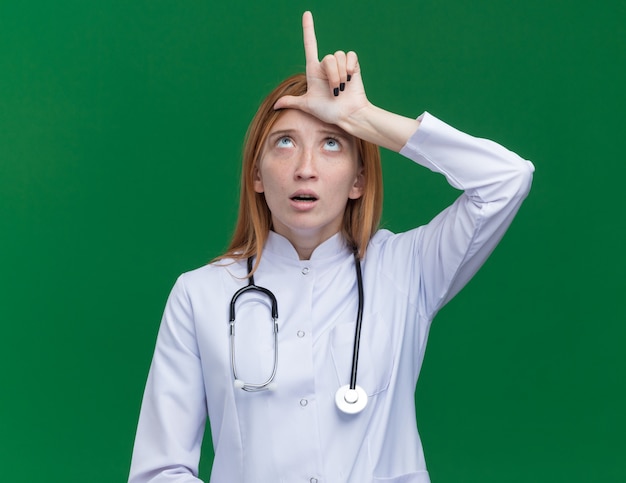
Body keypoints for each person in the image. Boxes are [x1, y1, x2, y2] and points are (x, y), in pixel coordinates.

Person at [129, 11, 534, 483]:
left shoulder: (408, 269)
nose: (306, 168)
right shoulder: (199, 295)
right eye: (284, 143)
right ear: (256, 175)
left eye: (332, 145)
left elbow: (506, 180)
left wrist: (362, 118)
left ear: (359, 178)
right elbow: (159, 471)